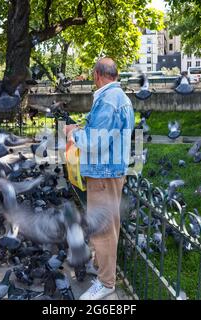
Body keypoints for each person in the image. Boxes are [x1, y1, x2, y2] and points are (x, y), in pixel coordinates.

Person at [65, 57, 135, 300]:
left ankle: (106, 283)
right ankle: (102, 268)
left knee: (103, 229)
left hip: (104, 173)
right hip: (108, 171)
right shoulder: (117, 98)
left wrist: (73, 134)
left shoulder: (108, 100)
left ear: (97, 74)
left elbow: (95, 142)